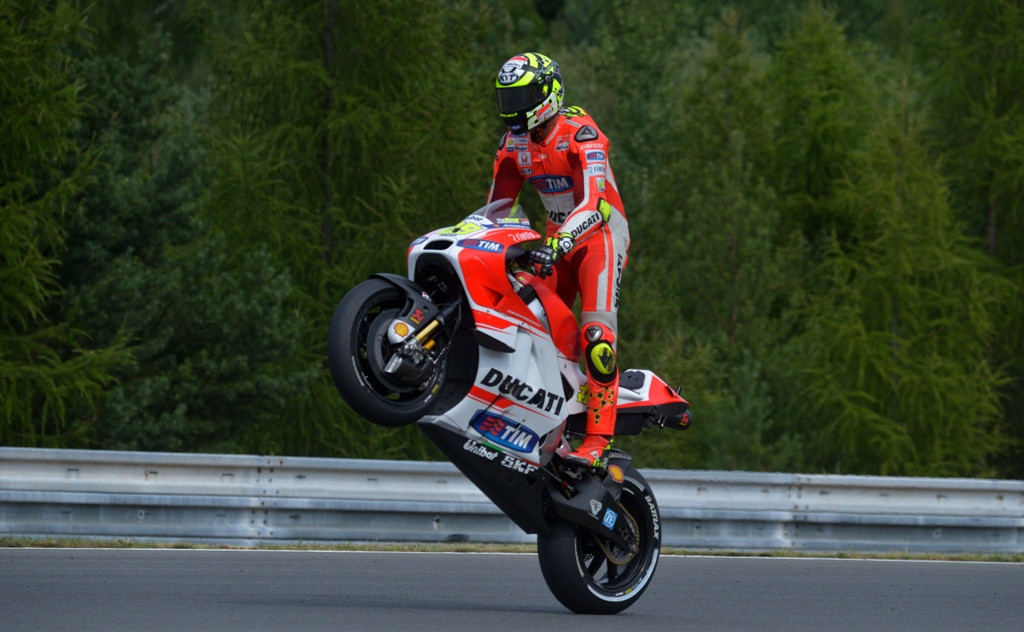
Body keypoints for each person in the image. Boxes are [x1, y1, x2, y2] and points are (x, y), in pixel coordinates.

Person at [487, 52, 629, 467]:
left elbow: (595, 204)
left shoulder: (582, 134)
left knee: (596, 337)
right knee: (530, 324)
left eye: (521, 98)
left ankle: (599, 441)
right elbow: (494, 212)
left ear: (547, 94)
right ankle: (550, 420)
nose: (512, 110)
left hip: (600, 236)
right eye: (507, 99)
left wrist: (561, 241)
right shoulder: (512, 145)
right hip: (556, 237)